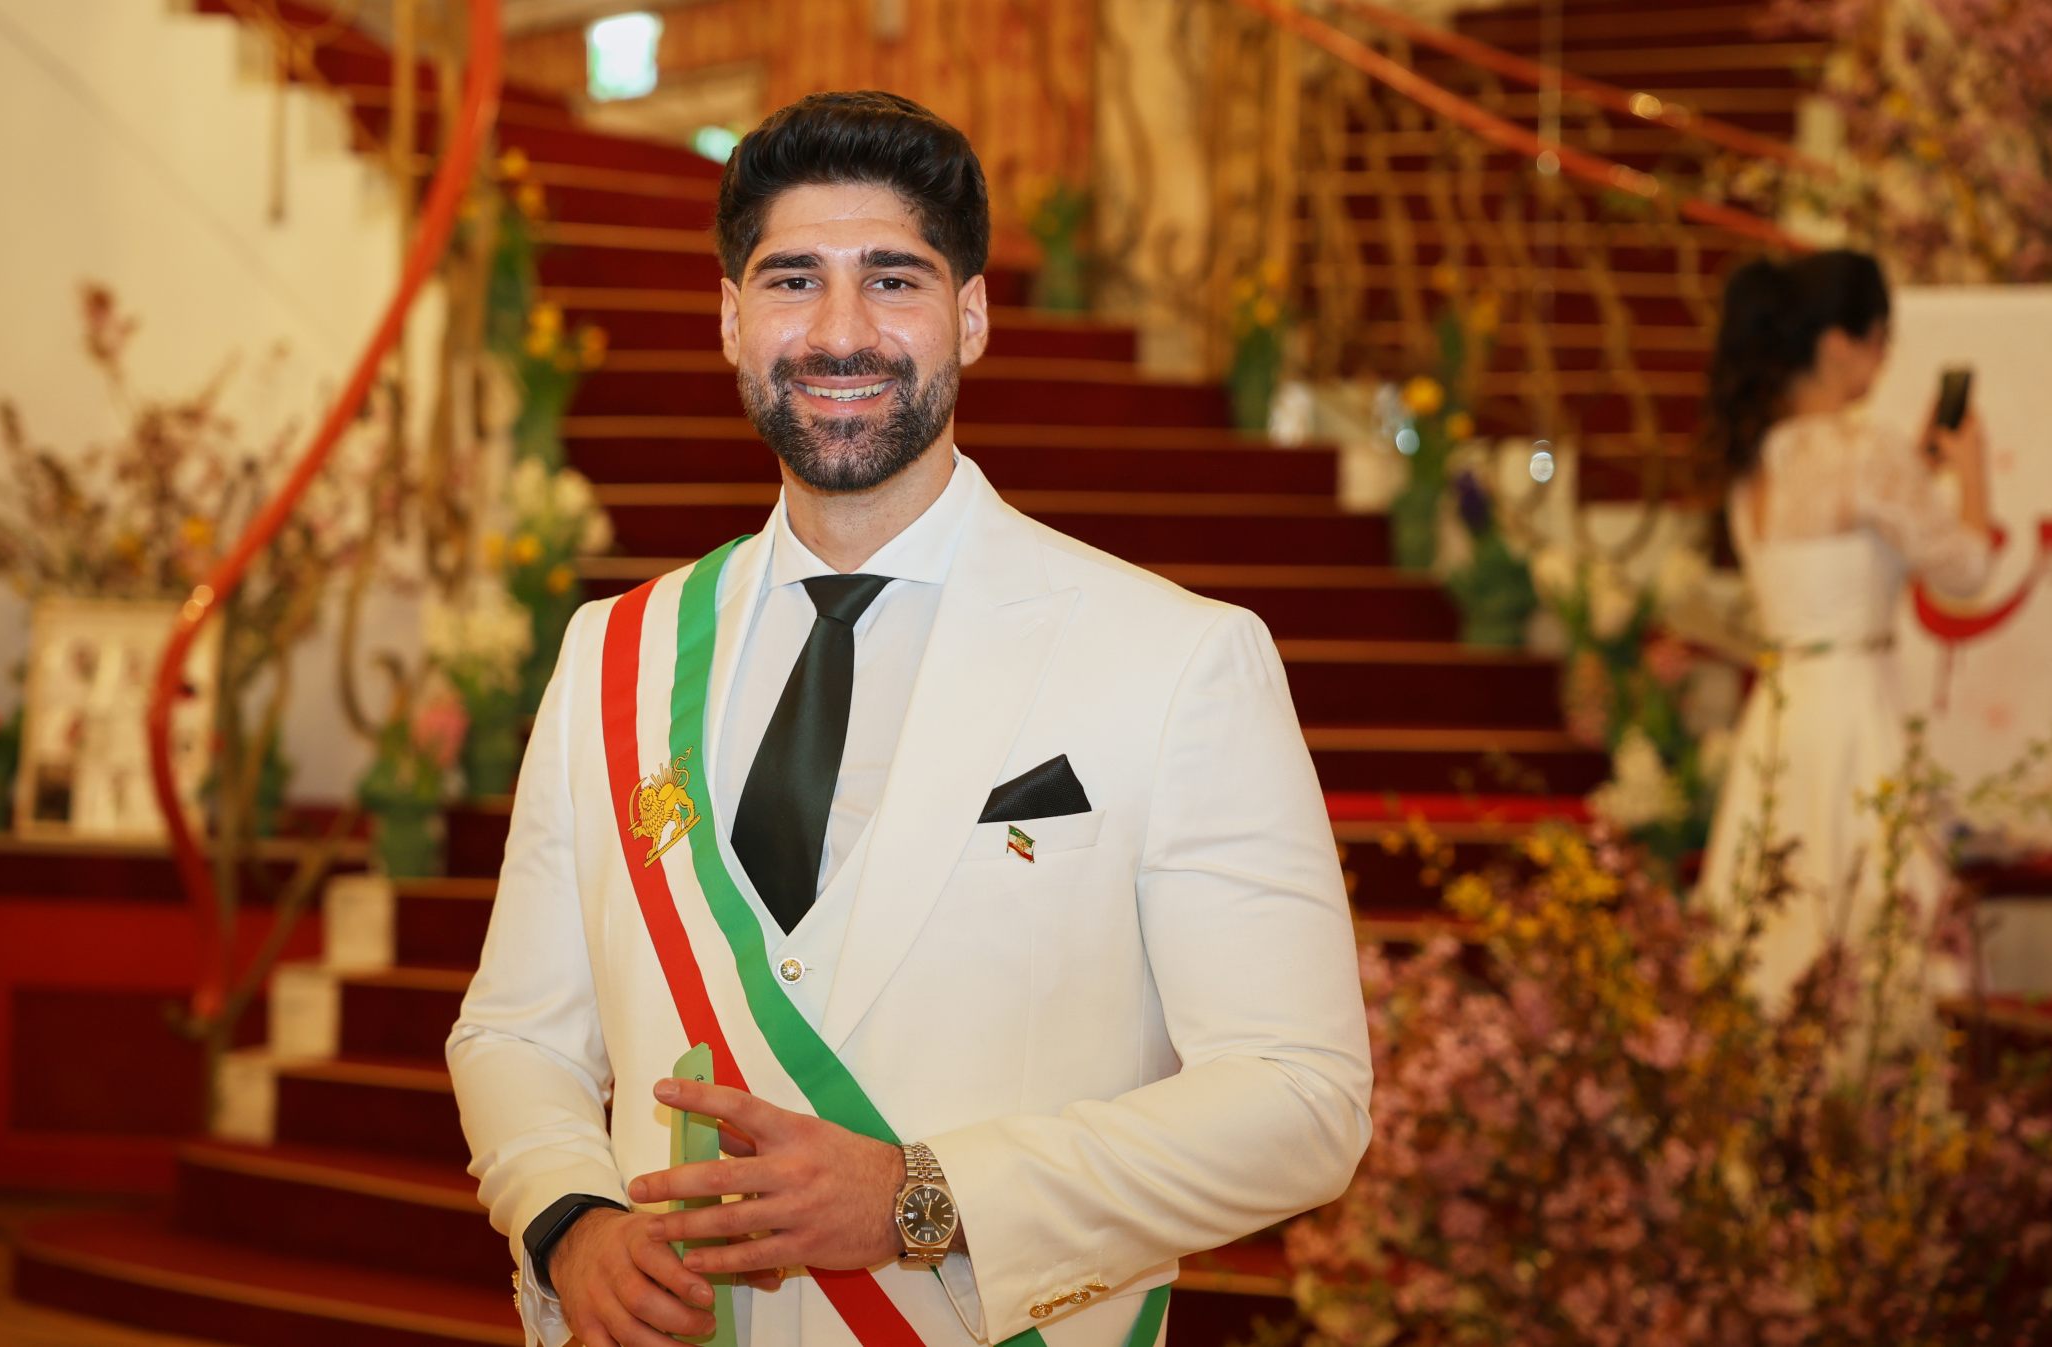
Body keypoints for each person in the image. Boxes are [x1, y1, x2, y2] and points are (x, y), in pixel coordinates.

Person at [445, 91, 1371, 1347]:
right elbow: (514, 1032)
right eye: (792, 281)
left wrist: (920, 1199)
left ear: (970, 317)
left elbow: (1303, 1101)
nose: (840, 332)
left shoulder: (1178, 660)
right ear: (730, 320)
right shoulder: (615, 654)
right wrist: (569, 1222)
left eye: (893, 280)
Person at [1694, 249, 1996, 1012]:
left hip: (1780, 713)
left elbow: (1852, 538)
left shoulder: (1755, 458)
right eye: (1879, 338)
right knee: (1878, 934)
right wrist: (1972, 472)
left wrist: (1917, 469)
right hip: (1858, 708)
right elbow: (1967, 568)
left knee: (1774, 931)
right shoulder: (1865, 451)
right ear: (1838, 344)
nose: (1885, 357)